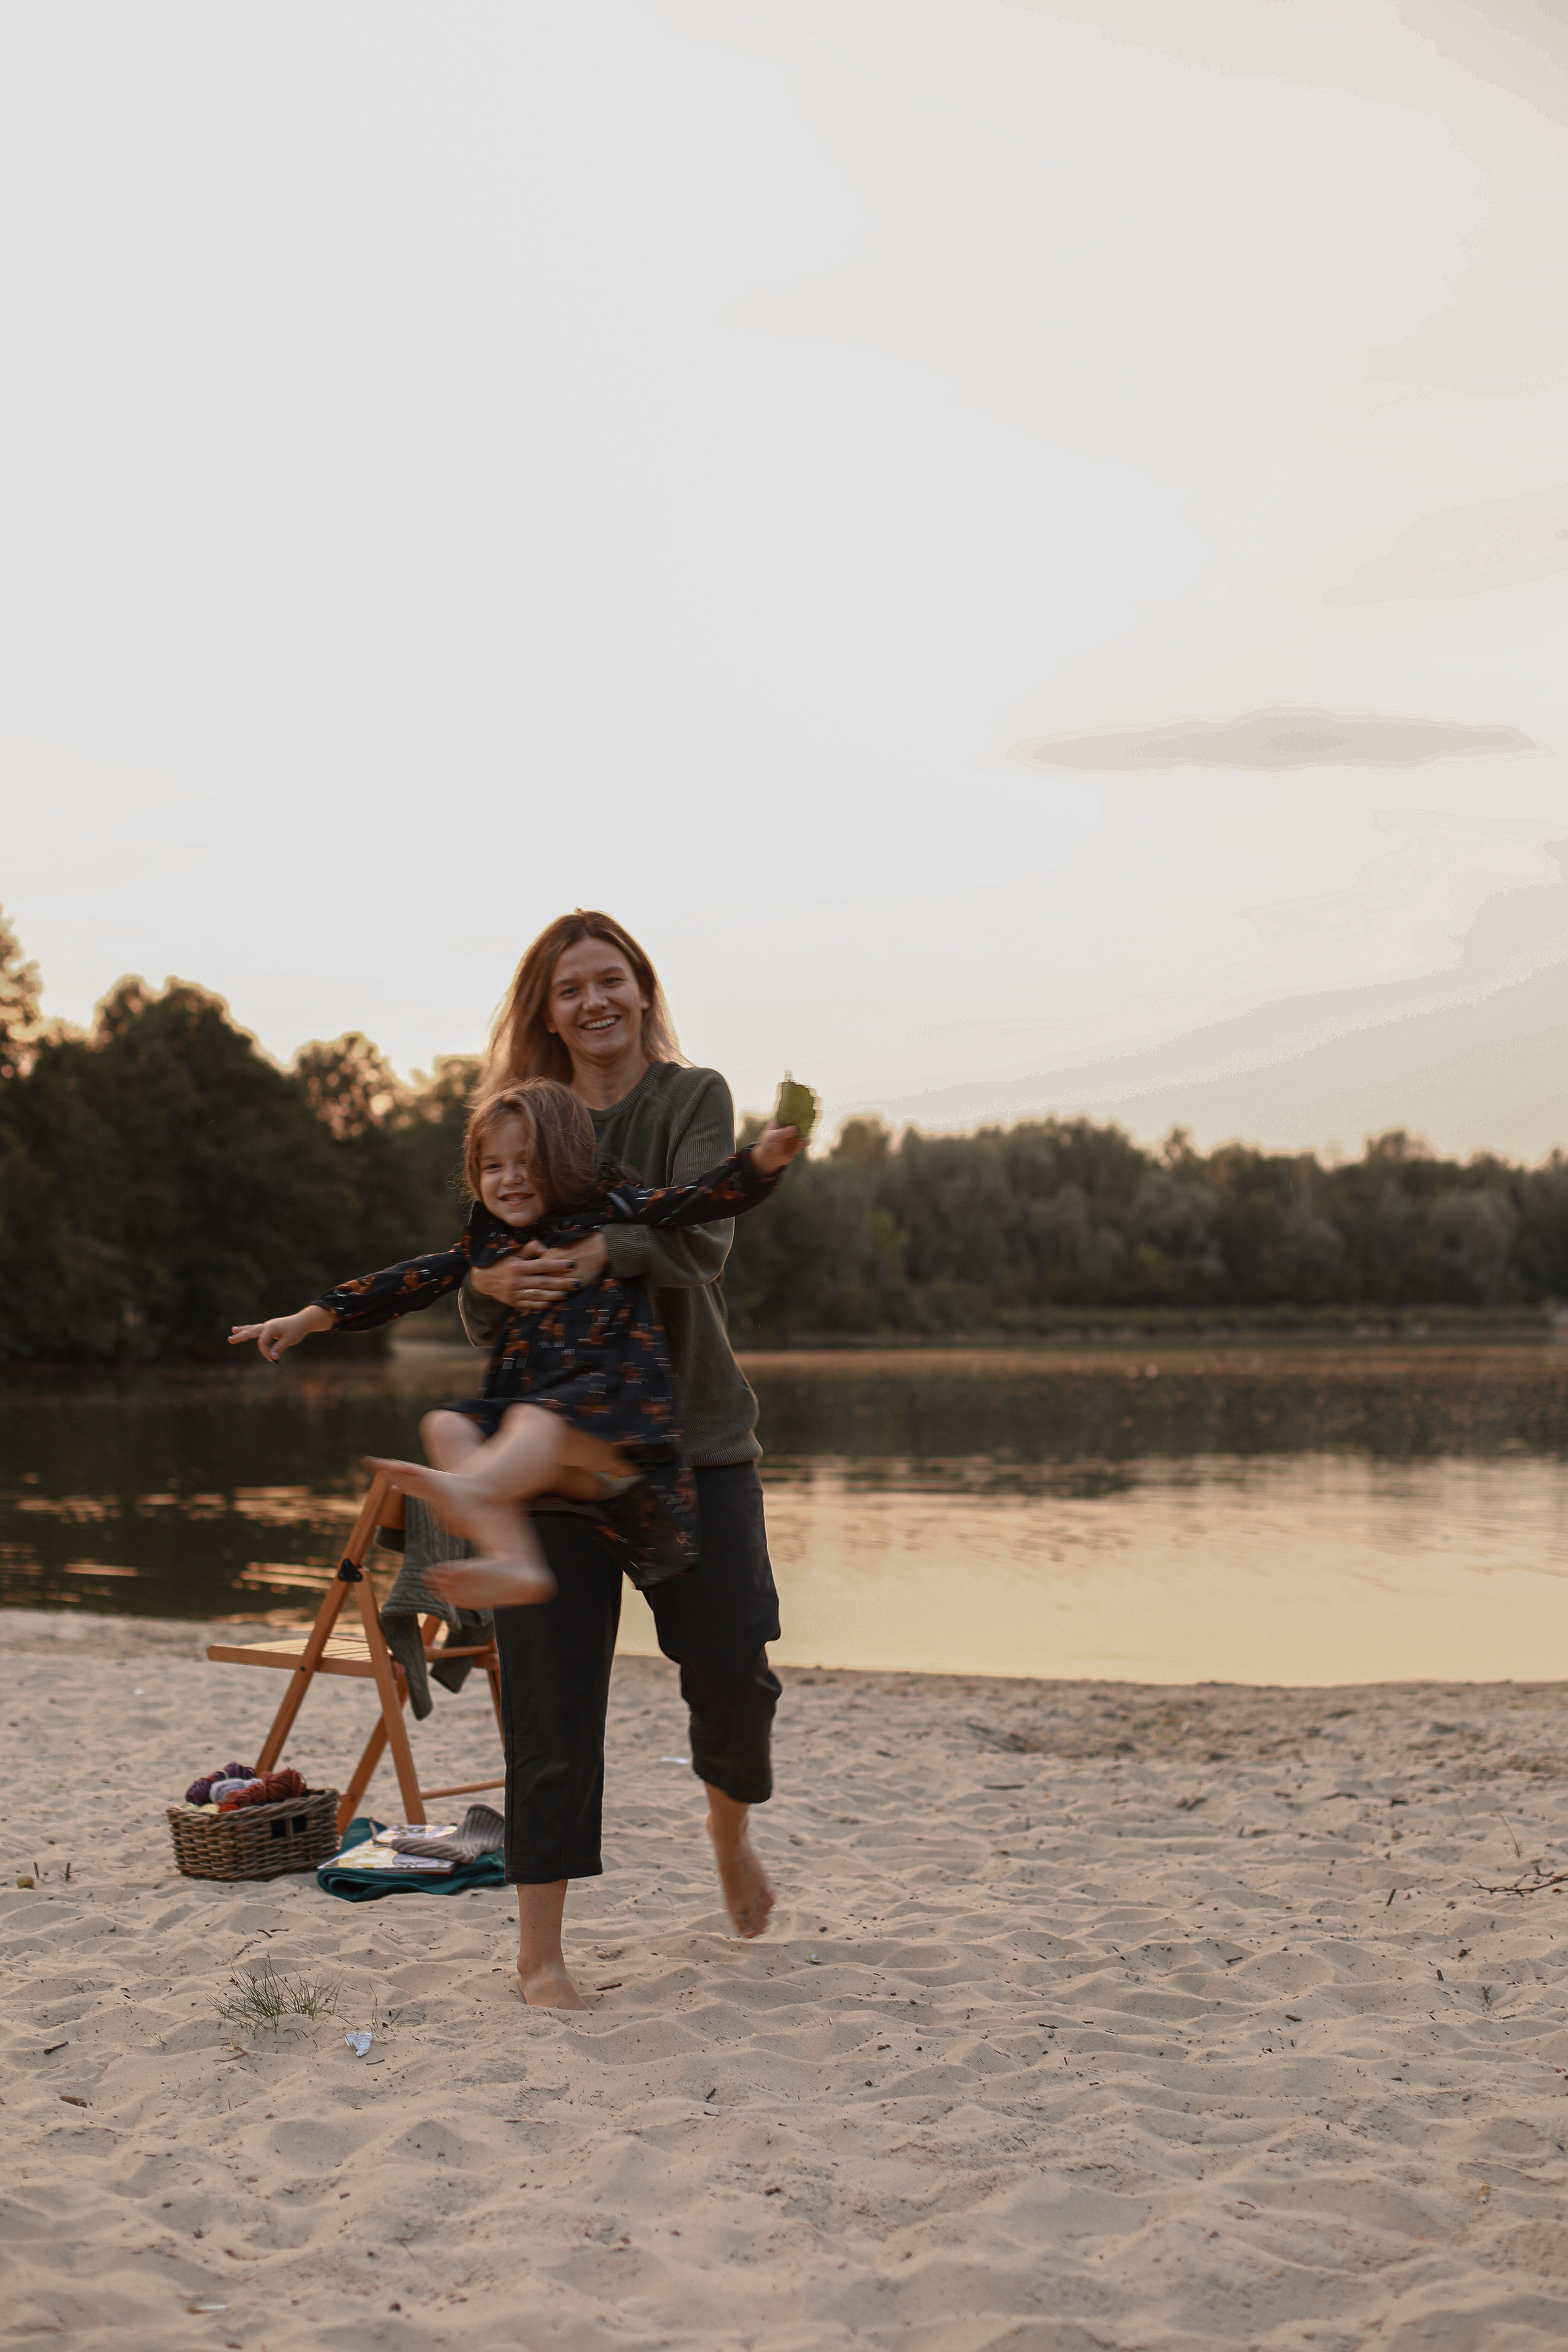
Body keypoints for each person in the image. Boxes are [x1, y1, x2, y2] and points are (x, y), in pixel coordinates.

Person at [461, 910, 786, 2003]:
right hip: (550, 1448)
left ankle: (728, 1829)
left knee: (735, 1664)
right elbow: (477, 1275)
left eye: (613, 980)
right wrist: (486, 1284)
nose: (594, 1003)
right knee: (547, 1697)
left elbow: (701, 1236)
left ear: (643, 989)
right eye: (571, 989)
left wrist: (602, 1245)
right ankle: (539, 1955)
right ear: (546, 1012)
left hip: (693, 1439)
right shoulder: (521, 1121)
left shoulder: (691, 1099)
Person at [228, 1077, 804, 1600]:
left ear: (564, 1158)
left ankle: (472, 1492)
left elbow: (697, 1199)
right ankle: (514, 1560)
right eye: (493, 1166)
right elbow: (407, 1282)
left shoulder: (610, 1209)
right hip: (555, 1454)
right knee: (446, 1424)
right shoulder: (492, 1244)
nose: (508, 1180)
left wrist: (761, 1163)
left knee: (534, 1420)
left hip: (620, 1430)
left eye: (526, 1162)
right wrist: (311, 1317)